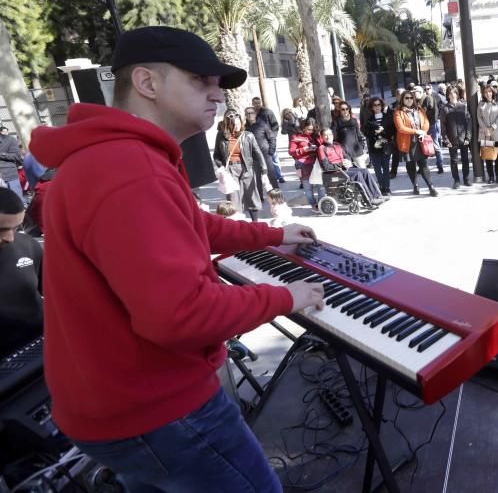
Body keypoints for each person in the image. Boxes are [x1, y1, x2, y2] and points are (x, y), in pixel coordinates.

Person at [29, 25, 325, 493]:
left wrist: (272, 234)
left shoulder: (112, 157)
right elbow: (181, 315)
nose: (217, 97)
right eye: (199, 81)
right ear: (147, 83)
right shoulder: (132, 170)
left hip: (110, 405)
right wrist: (287, 297)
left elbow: (193, 225)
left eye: (218, 87)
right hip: (157, 408)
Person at [0, 186, 43, 354]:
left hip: (37, 346)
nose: (10, 238)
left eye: (16, 228)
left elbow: (57, 296)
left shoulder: (28, 246)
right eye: (1, 230)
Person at [213, 110, 268, 222]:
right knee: (233, 198)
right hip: (230, 170)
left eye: (239, 124)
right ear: (229, 124)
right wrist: (222, 168)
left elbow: (257, 152)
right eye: (234, 124)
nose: (237, 127)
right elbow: (216, 155)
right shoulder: (221, 136)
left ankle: (255, 223)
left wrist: (264, 169)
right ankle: (237, 225)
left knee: (251, 196)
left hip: (246, 169)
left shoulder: (248, 135)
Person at [393, 90, 438, 196]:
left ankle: (431, 187)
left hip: (420, 140)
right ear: (402, 100)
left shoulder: (419, 109)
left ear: (413, 99)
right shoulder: (398, 112)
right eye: (406, 98)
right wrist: (416, 131)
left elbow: (426, 122)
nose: (409, 100)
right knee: (410, 165)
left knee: (424, 165)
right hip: (407, 142)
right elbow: (401, 128)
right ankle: (415, 185)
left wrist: (423, 132)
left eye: (410, 98)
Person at [363, 97, 395, 196]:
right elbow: (366, 133)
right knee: (377, 169)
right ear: (371, 107)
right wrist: (374, 133)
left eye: (379, 105)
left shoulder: (388, 117)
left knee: (385, 167)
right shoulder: (369, 119)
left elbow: (393, 131)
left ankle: (387, 187)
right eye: (374, 105)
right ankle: (381, 187)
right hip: (374, 147)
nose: (377, 107)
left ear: (381, 105)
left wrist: (383, 131)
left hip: (385, 146)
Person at [442, 85, 472, 188]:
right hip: (451, 139)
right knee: (454, 161)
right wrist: (446, 140)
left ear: (457, 94)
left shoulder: (463, 106)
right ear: (448, 95)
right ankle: (456, 180)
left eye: (454, 93)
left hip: (463, 138)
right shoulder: (445, 108)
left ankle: (466, 178)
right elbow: (443, 126)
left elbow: (469, 122)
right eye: (450, 93)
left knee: (465, 159)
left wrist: (468, 137)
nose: (452, 95)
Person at [288, 119, 321, 210]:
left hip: (316, 163)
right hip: (303, 164)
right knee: (308, 187)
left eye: (312, 130)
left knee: (320, 185)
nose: (310, 132)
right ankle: (313, 205)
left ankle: (322, 203)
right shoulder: (296, 137)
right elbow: (291, 152)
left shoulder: (315, 136)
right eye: (308, 129)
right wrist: (303, 150)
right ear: (303, 128)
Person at [252, 96, 283, 184]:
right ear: (252, 104)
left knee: (274, 158)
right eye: (255, 103)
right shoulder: (252, 113)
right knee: (264, 160)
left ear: (261, 103)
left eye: (258, 103)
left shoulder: (267, 112)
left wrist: (273, 136)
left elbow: (275, 125)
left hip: (269, 138)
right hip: (259, 140)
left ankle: (279, 176)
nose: (257, 105)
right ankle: (268, 177)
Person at [246, 106, 278, 190]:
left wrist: (271, 150)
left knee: (271, 174)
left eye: (252, 113)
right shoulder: (245, 127)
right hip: (253, 155)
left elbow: (272, 138)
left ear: (255, 114)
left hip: (265, 153)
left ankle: (276, 193)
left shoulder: (263, 125)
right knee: (257, 177)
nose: (250, 115)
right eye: (247, 113)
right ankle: (260, 197)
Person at [478, 85, 498, 183]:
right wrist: (485, 129)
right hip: (485, 134)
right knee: (488, 156)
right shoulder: (481, 104)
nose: (488, 94)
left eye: (490, 92)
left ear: (493, 92)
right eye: (486, 92)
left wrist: (492, 127)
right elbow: (479, 118)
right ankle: (491, 176)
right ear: (483, 94)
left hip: (497, 132)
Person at [0, 126, 23, 204]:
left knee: (17, 203)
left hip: (9, 176)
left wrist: (1, 154)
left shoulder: (10, 140)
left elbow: (16, 156)